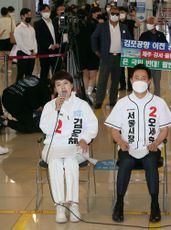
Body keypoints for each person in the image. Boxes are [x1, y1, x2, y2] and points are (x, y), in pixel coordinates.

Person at [105, 64, 171, 223]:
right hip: (127, 146)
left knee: (151, 163)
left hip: (151, 147)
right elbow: (114, 130)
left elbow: (164, 130)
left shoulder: (158, 102)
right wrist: (121, 142)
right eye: (136, 78)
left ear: (149, 81)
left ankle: (155, 204)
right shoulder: (123, 103)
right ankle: (119, 203)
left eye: (143, 78)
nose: (140, 81)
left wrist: (156, 142)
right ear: (131, 80)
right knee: (126, 163)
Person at [39, 71, 98, 223]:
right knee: (55, 163)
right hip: (54, 147)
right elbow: (45, 128)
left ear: (72, 85)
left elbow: (92, 125)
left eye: (65, 83)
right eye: (58, 85)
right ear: (55, 89)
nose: (63, 87)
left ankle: (73, 205)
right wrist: (55, 111)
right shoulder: (49, 106)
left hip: (76, 147)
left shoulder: (82, 105)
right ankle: (59, 206)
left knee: (71, 163)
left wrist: (85, 139)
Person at [91, 6, 131, 109]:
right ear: (109, 14)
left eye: (117, 14)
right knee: (102, 80)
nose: (115, 16)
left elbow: (129, 41)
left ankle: (113, 100)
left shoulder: (124, 27)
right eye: (113, 13)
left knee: (116, 80)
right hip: (106, 57)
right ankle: (99, 101)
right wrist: (96, 51)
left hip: (118, 57)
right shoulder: (102, 26)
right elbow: (93, 37)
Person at [139, 16, 167, 97]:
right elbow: (140, 47)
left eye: (150, 23)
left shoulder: (161, 35)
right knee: (146, 82)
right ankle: (145, 97)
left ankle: (157, 98)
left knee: (157, 83)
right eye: (148, 23)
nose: (149, 25)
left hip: (158, 63)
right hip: (147, 62)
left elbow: (166, 47)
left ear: (155, 24)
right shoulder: (144, 35)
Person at [34, 4, 61, 83]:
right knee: (44, 71)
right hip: (45, 51)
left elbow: (58, 35)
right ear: (41, 12)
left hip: (56, 51)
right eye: (44, 11)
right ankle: (43, 89)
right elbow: (39, 38)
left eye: (48, 11)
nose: (47, 12)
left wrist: (58, 43)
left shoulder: (54, 22)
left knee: (57, 72)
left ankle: (56, 88)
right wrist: (49, 46)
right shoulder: (38, 24)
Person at [118, 6, 140, 91]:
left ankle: (130, 86)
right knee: (121, 68)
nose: (121, 14)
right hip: (119, 47)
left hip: (130, 47)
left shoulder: (130, 22)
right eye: (120, 13)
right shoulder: (116, 23)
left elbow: (138, 25)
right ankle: (122, 85)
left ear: (126, 14)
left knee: (131, 67)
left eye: (123, 12)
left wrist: (134, 17)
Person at [14, 8, 37, 82]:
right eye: (27, 15)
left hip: (32, 53)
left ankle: (28, 91)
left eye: (30, 15)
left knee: (29, 74)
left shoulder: (32, 28)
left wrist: (35, 51)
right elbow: (20, 44)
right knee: (20, 74)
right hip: (22, 53)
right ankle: (18, 91)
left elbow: (34, 40)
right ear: (22, 16)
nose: (29, 17)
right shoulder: (18, 29)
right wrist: (29, 53)